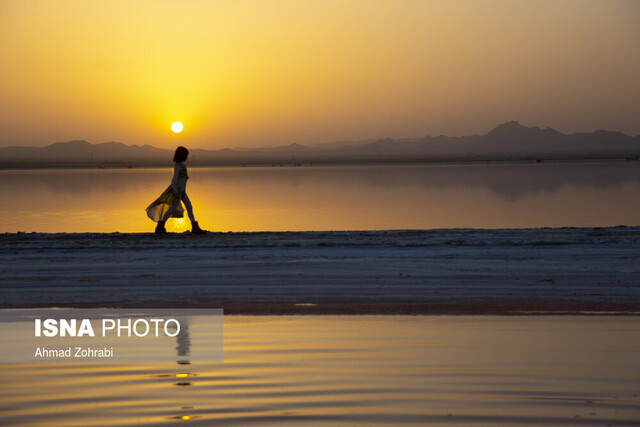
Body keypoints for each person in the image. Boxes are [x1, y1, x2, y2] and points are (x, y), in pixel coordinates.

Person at [146, 146, 206, 234]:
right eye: (186, 155)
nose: (187, 157)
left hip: (182, 192)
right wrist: (176, 191)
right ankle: (160, 226)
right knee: (173, 208)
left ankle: (194, 226)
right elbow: (174, 179)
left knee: (188, 207)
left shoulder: (182, 165)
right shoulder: (177, 166)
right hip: (177, 192)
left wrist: (182, 191)